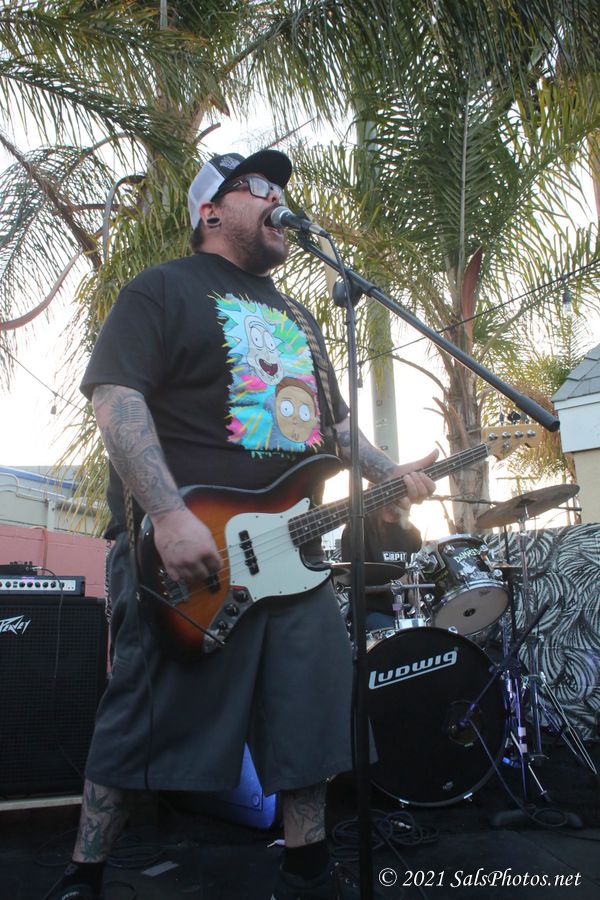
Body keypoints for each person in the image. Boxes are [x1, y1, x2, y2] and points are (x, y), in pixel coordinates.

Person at [45, 149, 436, 900]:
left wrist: (389, 474)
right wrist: (167, 514)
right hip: (188, 545)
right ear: (211, 210)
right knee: (147, 714)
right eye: (260, 186)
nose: (279, 196)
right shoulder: (162, 289)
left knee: (310, 716)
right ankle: (82, 877)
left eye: (282, 187)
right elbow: (116, 397)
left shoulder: (301, 319)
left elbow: (335, 427)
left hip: (295, 551)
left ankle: (307, 871)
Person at [341, 503, 422, 631]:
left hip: (404, 610)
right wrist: (396, 584)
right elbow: (353, 584)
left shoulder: (412, 532)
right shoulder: (357, 529)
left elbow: (414, 580)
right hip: (371, 612)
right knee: (400, 636)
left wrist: (415, 592)